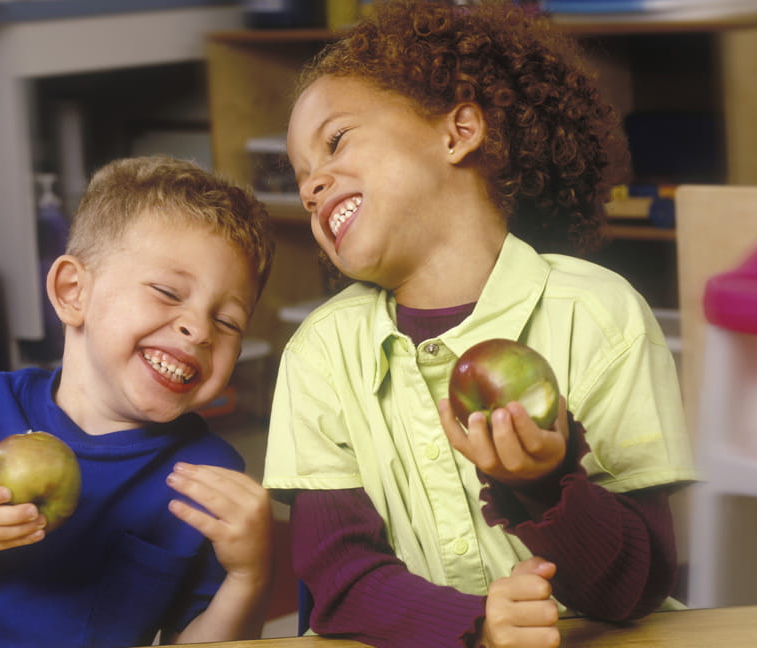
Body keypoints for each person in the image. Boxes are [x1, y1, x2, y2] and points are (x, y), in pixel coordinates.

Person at [262, 2, 697, 647]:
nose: (311, 187)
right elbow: (340, 579)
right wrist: (475, 629)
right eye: (300, 177)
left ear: (458, 131)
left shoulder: (602, 314)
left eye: (336, 141)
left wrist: (545, 483)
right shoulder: (319, 353)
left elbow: (635, 589)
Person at [0, 155, 277, 647]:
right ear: (73, 292)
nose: (198, 329)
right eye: (168, 292)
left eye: (229, 321)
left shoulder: (207, 478)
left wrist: (248, 578)